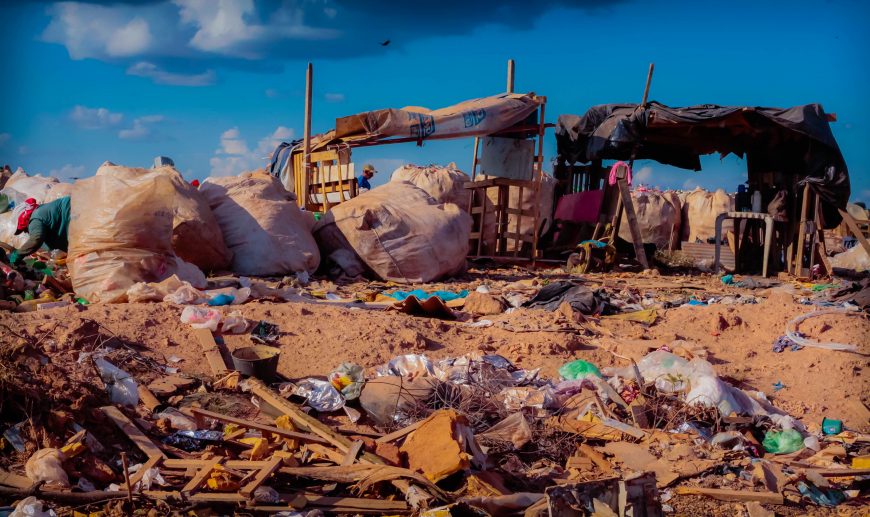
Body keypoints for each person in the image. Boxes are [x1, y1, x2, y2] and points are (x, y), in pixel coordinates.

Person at [8, 196, 71, 266]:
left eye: (25, 229)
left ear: (25, 219)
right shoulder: (42, 212)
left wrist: (17, 255)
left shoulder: (35, 218)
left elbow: (36, 238)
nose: (26, 232)